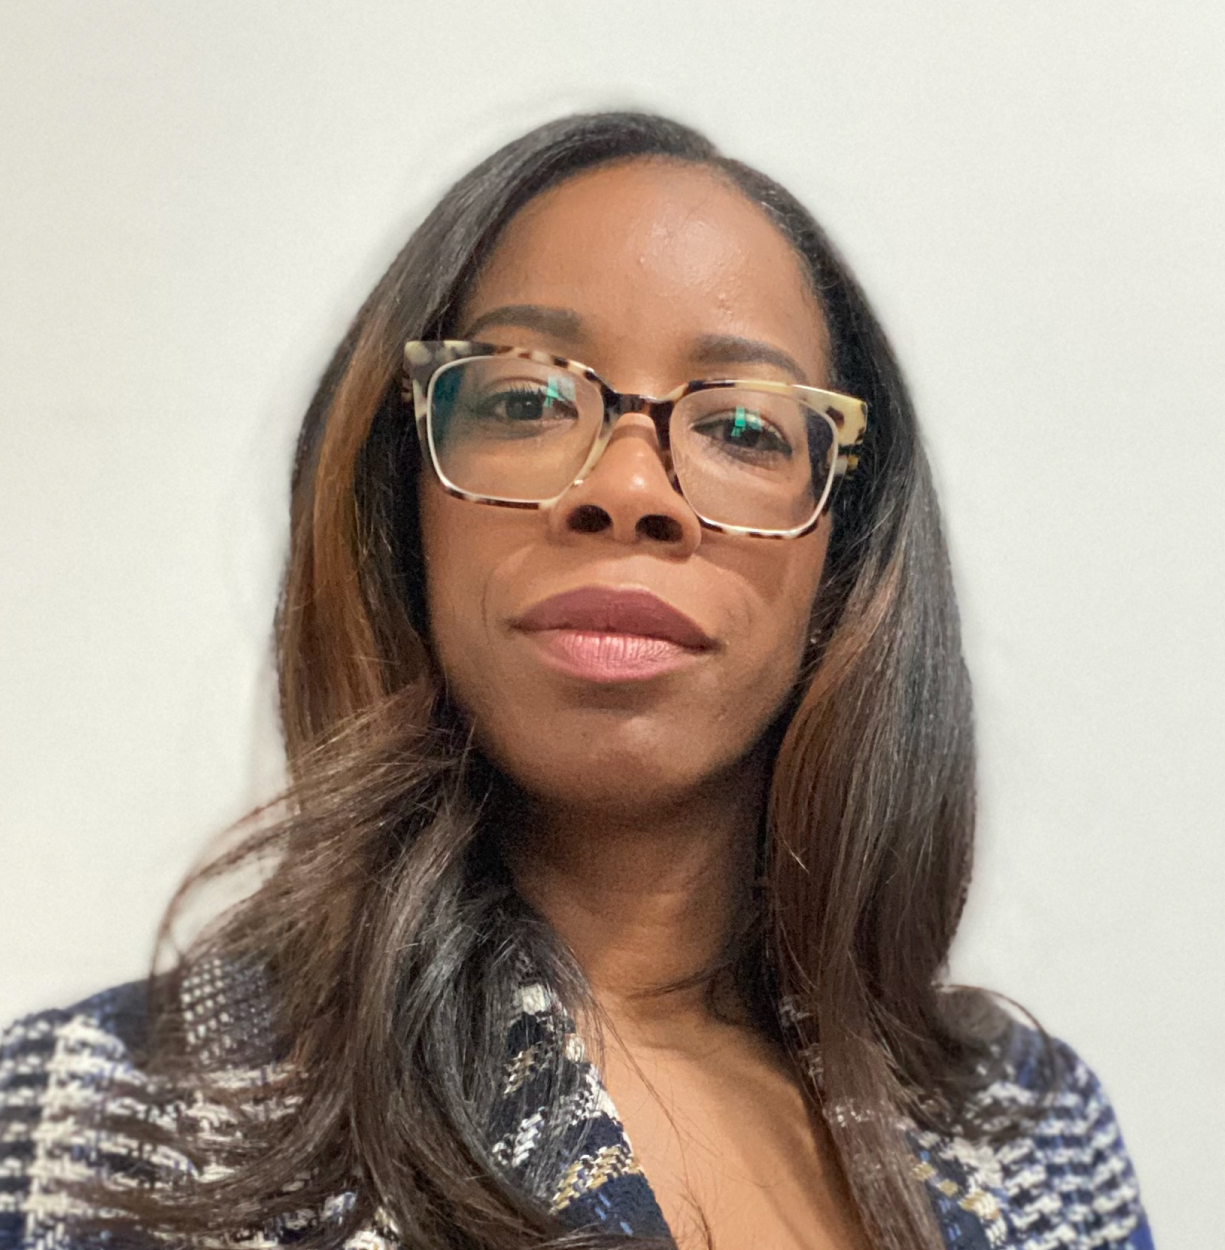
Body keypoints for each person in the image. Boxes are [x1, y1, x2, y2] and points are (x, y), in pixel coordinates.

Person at [0, 111, 1152, 1250]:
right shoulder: (99, 1116)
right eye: (526, 399)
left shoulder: (1030, 1130)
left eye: (743, 425)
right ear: (402, 504)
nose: (629, 485)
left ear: (842, 555)